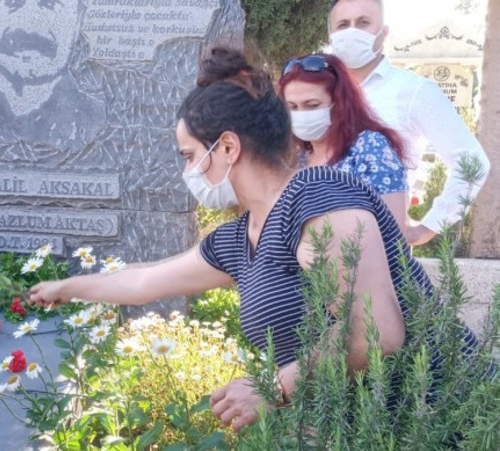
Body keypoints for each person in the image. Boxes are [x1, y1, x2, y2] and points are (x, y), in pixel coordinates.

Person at [27, 44, 480, 431]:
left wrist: (273, 387)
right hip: (374, 429)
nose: (189, 171)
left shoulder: (319, 197)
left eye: (190, 155)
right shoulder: (239, 240)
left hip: (452, 421)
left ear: (227, 147)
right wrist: (65, 287)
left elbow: (378, 333)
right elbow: (143, 281)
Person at [328, 0, 490, 246]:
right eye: (343, 25)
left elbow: (472, 161)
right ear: (331, 35)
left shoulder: (413, 91)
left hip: (380, 250)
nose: (352, 32)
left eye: (363, 23)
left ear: (383, 32)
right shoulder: (316, 93)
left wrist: (427, 228)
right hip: (316, 248)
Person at [0, 0, 106, 151]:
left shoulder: (95, 118)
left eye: (50, 3)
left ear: (77, 20)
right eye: (12, 2)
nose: (29, 24)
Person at [278, 53, 409, 232]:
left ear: (339, 103)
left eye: (312, 105)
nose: (302, 114)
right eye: (292, 107)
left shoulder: (369, 148)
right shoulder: (296, 158)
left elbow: (394, 230)